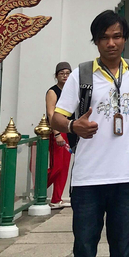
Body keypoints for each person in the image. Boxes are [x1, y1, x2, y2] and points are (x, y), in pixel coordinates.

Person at [51, 11, 129, 257]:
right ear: (96, 40)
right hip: (89, 178)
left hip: (127, 177)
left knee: (123, 250)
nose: (111, 42)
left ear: (125, 38)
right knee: (84, 249)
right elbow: (57, 117)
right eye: (104, 37)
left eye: (117, 36)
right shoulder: (81, 74)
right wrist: (73, 124)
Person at [46, 62, 73, 209]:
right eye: (62, 73)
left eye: (68, 73)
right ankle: (39, 188)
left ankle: (56, 199)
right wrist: (57, 134)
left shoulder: (71, 90)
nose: (65, 76)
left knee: (64, 167)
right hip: (57, 131)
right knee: (56, 166)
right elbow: (51, 113)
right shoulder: (52, 91)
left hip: (68, 129)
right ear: (56, 75)